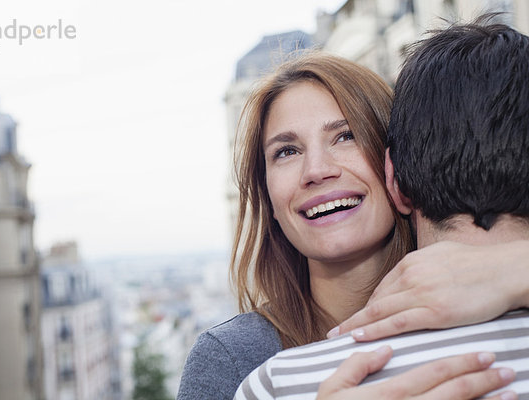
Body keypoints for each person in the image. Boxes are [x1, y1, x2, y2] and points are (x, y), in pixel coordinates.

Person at [177, 23, 529, 400]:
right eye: (286, 152)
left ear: (396, 169)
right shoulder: (234, 360)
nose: (316, 170)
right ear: (268, 199)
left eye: (346, 136)